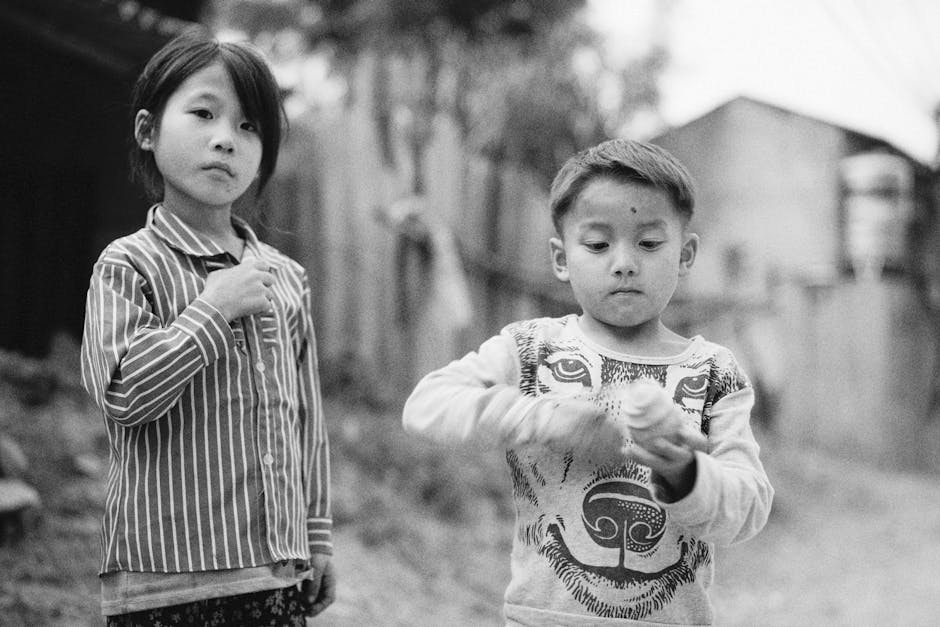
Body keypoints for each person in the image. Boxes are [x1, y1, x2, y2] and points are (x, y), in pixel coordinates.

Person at [403, 139, 773, 625]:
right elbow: (426, 407)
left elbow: (748, 506)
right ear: (561, 258)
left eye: (649, 243)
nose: (624, 262)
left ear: (685, 254)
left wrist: (687, 475)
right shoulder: (533, 350)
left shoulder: (714, 371)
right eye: (598, 245)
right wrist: (541, 417)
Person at [80, 28, 334, 626]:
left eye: (250, 127)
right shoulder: (129, 264)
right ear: (148, 130)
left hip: (274, 573)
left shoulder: (285, 278)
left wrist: (318, 537)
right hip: (164, 583)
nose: (226, 140)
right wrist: (212, 310)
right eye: (203, 113)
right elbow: (120, 393)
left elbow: (308, 420)